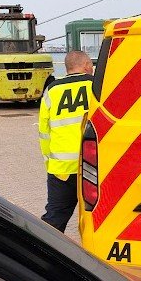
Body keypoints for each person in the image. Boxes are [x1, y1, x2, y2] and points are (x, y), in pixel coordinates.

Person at [39, 50, 94, 231]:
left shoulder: (52, 90)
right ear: (86, 65)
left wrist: (50, 164)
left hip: (61, 168)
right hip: (93, 167)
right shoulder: (96, 86)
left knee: (54, 219)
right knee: (97, 217)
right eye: (91, 65)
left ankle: (41, 247)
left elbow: (44, 132)